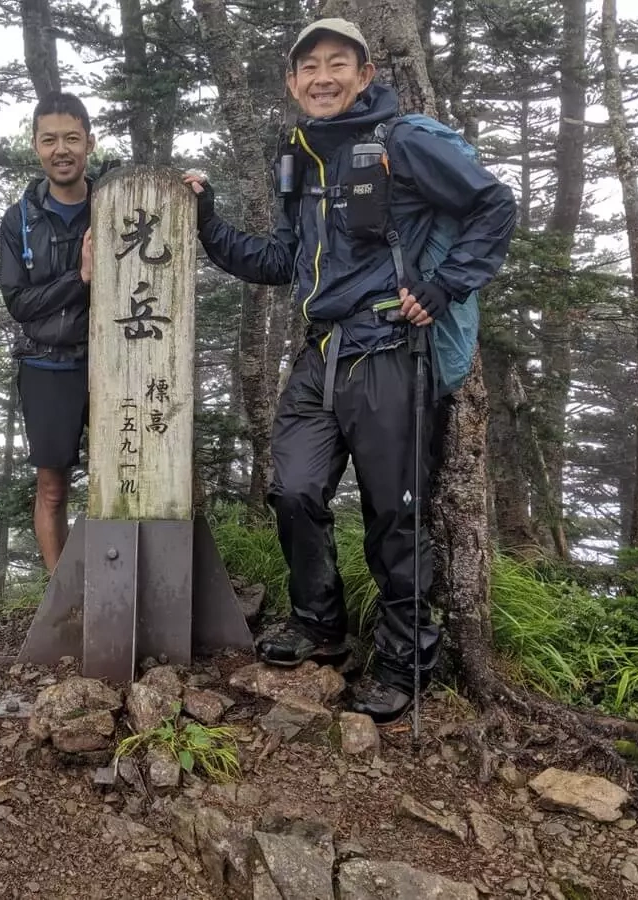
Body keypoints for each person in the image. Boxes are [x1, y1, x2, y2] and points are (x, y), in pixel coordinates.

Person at [184, 18, 517, 722]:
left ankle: (405, 663)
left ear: (365, 75)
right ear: (292, 82)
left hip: (393, 350)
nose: (324, 77)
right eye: (310, 67)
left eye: (339, 64)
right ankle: (319, 627)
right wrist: (207, 219)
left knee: (394, 516)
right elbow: (279, 261)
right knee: (296, 489)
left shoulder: (407, 140)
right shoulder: (301, 154)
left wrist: (446, 284)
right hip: (322, 351)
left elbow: (493, 203)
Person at [0, 92, 105, 573]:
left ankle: (112, 586)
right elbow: (19, 303)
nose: (61, 149)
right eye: (49, 140)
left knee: (121, 474)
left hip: (110, 363)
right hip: (44, 363)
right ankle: (59, 592)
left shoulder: (114, 203)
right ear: (36, 146)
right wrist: (78, 280)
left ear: (89, 142)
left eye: (71, 138)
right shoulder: (19, 219)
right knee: (52, 485)